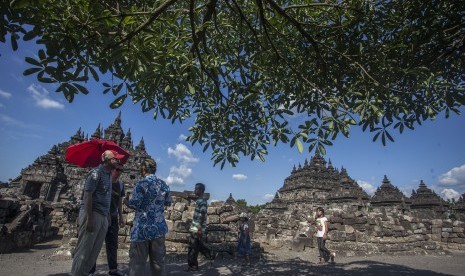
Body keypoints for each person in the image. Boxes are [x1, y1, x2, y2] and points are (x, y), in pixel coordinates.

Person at [71, 150, 125, 276]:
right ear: (106, 159)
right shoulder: (95, 174)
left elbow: (107, 198)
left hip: (103, 216)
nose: (117, 161)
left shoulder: (108, 176)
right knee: (85, 249)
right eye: (115, 159)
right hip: (93, 214)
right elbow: (87, 196)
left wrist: (107, 215)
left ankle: (84, 273)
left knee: (94, 251)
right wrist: (89, 218)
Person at [124, 158, 172, 276]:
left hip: (142, 229)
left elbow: (135, 203)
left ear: (144, 169)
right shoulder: (164, 185)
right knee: (158, 264)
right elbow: (168, 202)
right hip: (159, 228)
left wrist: (126, 202)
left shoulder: (141, 184)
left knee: (137, 264)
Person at [88, 164, 126, 276]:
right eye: (117, 169)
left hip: (113, 218)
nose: (119, 172)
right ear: (111, 169)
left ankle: (113, 270)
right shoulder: (103, 182)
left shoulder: (120, 184)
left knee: (112, 245)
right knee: (95, 244)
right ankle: (90, 270)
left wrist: (121, 217)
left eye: (121, 170)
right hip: (101, 216)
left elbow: (119, 201)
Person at [185, 183, 216, 272]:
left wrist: (198, 228)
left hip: (197, 226)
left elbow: (202, 215)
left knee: (193, 246)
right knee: (196, 245)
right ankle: (210, 254)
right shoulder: (199, 200)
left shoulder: (202, 201)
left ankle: (193, 266)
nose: (195, 190)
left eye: (196, 189)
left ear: (201, 190)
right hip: (195, 225)